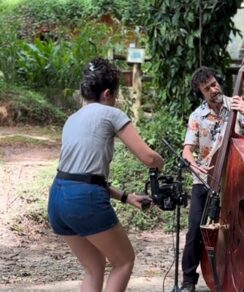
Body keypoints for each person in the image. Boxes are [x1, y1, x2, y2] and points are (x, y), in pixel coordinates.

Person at [47, 57, 164, 292]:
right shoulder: (111, 114)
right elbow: (148, 158)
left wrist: (125, 197)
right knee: (124, 261)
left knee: (94, 266)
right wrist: (161, 162)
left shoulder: (71, 120)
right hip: (83, 200)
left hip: (58, 199)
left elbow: (80, 176)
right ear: (108, 93)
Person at [180, 67, 244, 292]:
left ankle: (234, 273)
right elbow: (187, 150)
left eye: (214, 84)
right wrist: (191, 161)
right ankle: (188, 281)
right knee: (195, 230)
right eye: (207, 89)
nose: (213, 89)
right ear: (201, 93)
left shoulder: (235, 106)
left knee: (231, 230)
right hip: (205, 179)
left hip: (234, 181)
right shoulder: (197, 116)